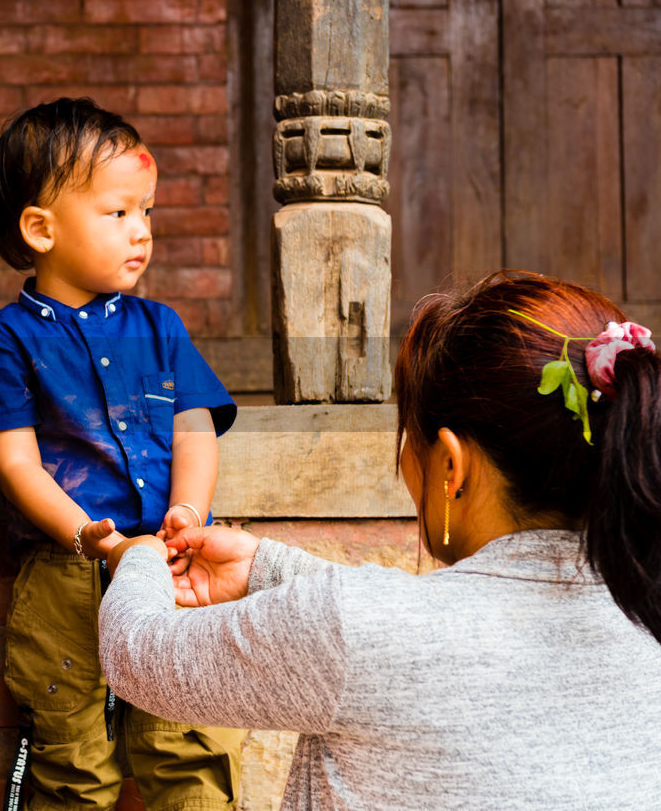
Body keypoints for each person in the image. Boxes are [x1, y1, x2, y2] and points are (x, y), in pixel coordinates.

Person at [100, 271, 661, 809]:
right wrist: (271, 568)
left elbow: (137, 654)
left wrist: (141, 558)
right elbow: (401, 624)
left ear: (451, 464)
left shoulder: (352, 629)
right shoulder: (646, 613)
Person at [0, 97, 244, 810]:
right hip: (67, 573)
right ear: (41, 228)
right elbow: (18, 464)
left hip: (172, 562)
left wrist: (187, 512)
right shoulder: (5, 342)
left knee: (188, 740)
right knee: (72, 758)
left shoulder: (161, 327)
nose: (141, 232)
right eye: (118, 214)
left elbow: (194, 429)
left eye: (147, 212)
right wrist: (90, 536)